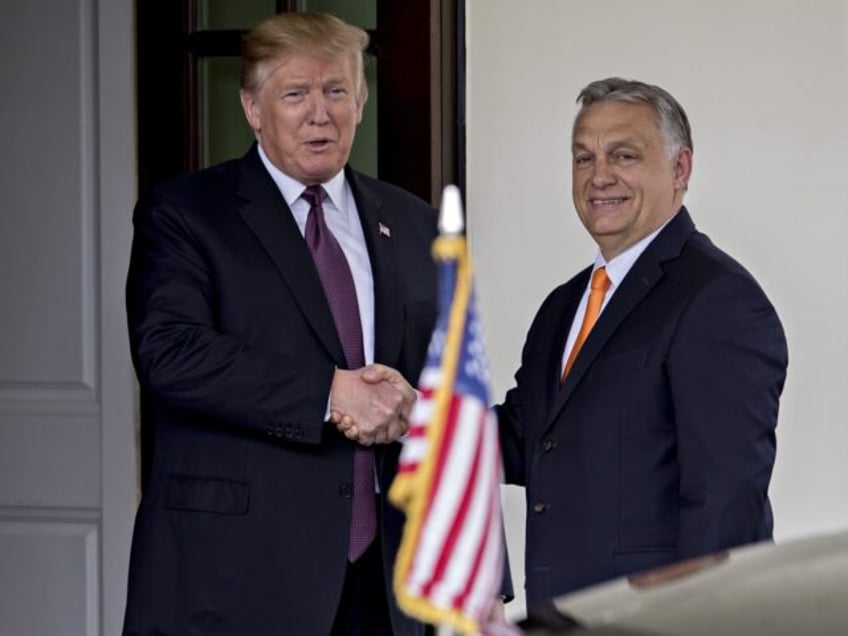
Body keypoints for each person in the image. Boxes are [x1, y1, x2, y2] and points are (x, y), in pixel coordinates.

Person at [123, 12, 441, 636]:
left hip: (385, 582)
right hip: (237, 575)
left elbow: (451, 379)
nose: (319, 114)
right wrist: (330, 392)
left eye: (336, 91)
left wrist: (416, 405)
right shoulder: (186, 214)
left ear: (361, 100)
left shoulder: (417, 225)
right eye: (295, 94)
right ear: (252, 108)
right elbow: (169, 354)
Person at [496, 77, 788, 607]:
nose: (599, 176)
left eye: (623, 155)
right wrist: (415, 417)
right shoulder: (564, 305)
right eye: (583, 158)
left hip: (654, 618)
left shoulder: (717, 300)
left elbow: (726, 506)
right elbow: (526, 439)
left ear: (681, 169)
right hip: (561, 615)